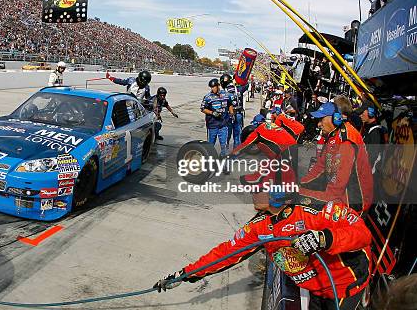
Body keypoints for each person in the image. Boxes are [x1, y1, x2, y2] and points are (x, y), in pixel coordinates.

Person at [154, 192, 372, 310]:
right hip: (313, 288)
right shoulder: (259, 226)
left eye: (259, 188)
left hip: (345, 284)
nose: (251, 192)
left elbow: (362, 233)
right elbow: (225, 253)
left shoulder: (316, 209)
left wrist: (325, 237)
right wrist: (186, 274)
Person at [300, 102, 373, 213]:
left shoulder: (346, 142)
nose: (318, 124)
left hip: (353, 204)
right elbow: (319, 168)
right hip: (340, 195)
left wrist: (300, 192)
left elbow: (334, 192)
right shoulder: (333, 136)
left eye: (321, 119)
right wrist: (299, 184)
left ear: (335, 119)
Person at [356, 100, 387, 200]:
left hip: (367, 178)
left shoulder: (375, 133)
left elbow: (370, 159)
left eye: (362, 113)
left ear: (370, 112)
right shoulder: (368, 129)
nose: (360, 115)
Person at [201, 78, 233, 157]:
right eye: (211, 87)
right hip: (212, 125)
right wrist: (212, 113)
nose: (212, 89)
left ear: (218, 86)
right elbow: (202, 109)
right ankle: (209, 161)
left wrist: (231, 113)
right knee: (210, 145)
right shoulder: (208, 97)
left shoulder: (226, 95)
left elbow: (230, 104)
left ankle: (223, 163)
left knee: (224, 146)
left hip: (223, 125)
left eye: (213, 87)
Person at [223, 76, 248, 150]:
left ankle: (225, 148)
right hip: (238, 113)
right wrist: (240, 79)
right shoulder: (239, 89)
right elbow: (246, 84)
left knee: (227, 132)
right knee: (237, 134)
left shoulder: (224, 91)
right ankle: (236, 150)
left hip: (229, 114)